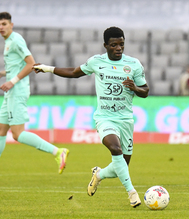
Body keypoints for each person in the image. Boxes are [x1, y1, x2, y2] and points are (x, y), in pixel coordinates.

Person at [33, 26, 149, 208]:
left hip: (126, 120)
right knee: (115, 148)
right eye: (114, 45)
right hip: (105, 117)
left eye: (121, 44)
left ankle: (99, 175)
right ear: (105, 45)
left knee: (122, 166)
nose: (118, 48)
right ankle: (131, 192)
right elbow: (73, 73)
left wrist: (135, 88)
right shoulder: (96, 62)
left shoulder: (134, 64)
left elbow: (145, 91)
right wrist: (48, 68)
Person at [0, 12, 69, 174]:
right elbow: (16, 66)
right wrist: (4, 74)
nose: (1, 27)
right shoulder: (9, 41)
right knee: (1, 130)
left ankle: (58, 151)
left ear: (11, 25)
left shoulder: (15, 40)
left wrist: (12, 81)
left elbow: (31, 64)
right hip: (11, 92)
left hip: (17, 91)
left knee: (17, 134)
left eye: (4, 24)